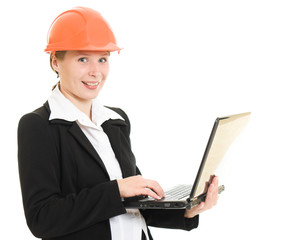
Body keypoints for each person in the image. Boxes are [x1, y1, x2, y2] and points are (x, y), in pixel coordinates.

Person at [17, 7, 220, 240]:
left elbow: (135, 206)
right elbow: (42, 219)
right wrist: (116, 190)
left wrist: (188, 210)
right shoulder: (39, 126)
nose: (96, 72)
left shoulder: (116, 121)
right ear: (55, 62)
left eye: (103, 59)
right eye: (83, 59)